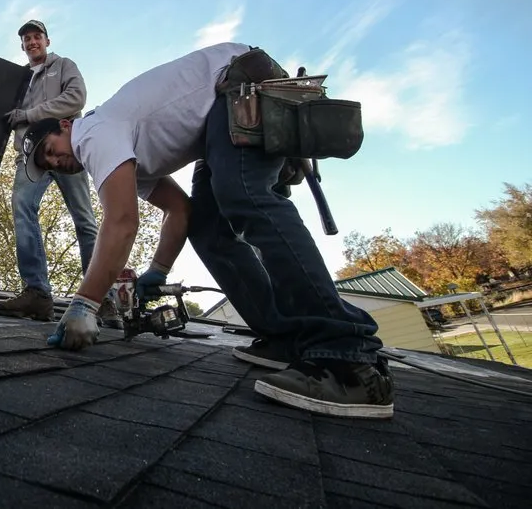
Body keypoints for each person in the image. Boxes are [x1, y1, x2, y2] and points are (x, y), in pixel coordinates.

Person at [20, 42, 394, 419]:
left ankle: (347, 358)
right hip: (217, 117)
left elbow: (122, 222)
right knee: (209, 227)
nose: (56, 162)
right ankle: (285, 337)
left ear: (66, 125)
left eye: (50, 149)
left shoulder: (93, 132)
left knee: (243, 193)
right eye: (47, 165)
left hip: (237, 84)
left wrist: (85, 302)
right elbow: (180, 211)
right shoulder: (126, 154)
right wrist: (159, 272)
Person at [0, 19, 121, 327]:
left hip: (66, 151)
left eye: (36, 36)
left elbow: (76, 98)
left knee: (85, 220)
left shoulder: (64, 65)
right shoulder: (17, 79)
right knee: (22, 208)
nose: (32, 42)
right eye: (26, 39)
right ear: (23, 46)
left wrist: (29, 114)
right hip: (31, 157)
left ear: (47, 40)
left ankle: (102, 298)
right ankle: (38, 293)